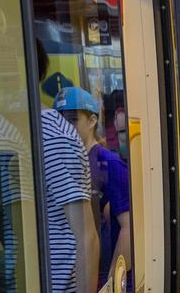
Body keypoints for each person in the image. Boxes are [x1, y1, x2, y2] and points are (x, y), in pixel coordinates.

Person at [54, 87, 132, 290]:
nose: (64, 126)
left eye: (72, 120)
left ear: (92, 121)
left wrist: (112, 283)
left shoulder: (109, 163)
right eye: (59, 119)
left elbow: (128, 226)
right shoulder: (60, 160)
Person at [37, 41, 100, 292]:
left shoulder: (54, 137)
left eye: (74, 118)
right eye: (63, 116)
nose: (67, 124)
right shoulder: (25, 133)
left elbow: (87, 236)